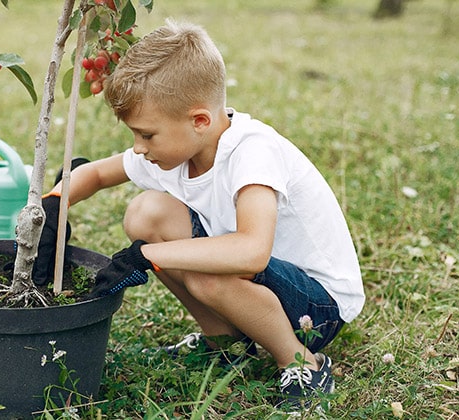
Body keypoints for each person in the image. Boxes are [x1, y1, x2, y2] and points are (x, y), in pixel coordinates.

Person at [34, 19, 365, 412]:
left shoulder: (251, 152)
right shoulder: (179, 149)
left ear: (200, 121)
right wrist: (55, 202)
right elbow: (100, 172)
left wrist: (147, 257)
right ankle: (226, 344)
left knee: (204, 270)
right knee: (146, 213)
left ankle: (301, 363)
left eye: (147, 135)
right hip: (260, 288)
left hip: (317, 308)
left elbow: (252, 252)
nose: (138, 148)